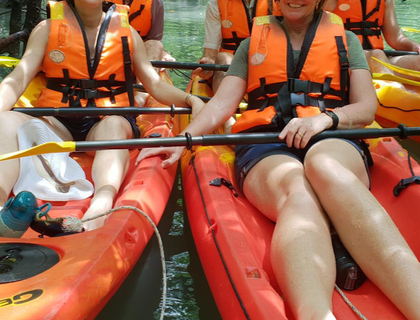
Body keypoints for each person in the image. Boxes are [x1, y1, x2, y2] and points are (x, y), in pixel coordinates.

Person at [137, 0, 420, 317]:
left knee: (324, 165)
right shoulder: (251, 43)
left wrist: (324, 120)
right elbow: (221, 105)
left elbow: (366, 108)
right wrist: (183, 138)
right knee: (296, 192)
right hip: (267, 144)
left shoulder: (346, 40)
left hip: (331, 137)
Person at [0, 0, 203, 233]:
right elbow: (17, 80)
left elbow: (154, 85)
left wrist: (190, 99)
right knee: (3, 121)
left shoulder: (128, 33)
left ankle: (99, 208)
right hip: (58, 121)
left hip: (105, 123)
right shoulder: (46, 29)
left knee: (115, 124)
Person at [326, 0, 420, 92]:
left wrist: (414, 46)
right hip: (344, 59)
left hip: (379, 60)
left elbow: (395, 38)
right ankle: (399, 94)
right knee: (376, 56)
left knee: (417, 61)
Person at [192, 0, 271, 93]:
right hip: (233, 61)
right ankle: (225, 102)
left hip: (268, 58)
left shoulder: (278, 3)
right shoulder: (216, 3)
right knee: (223, 58)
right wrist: (207, 62)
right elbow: (210, 53)